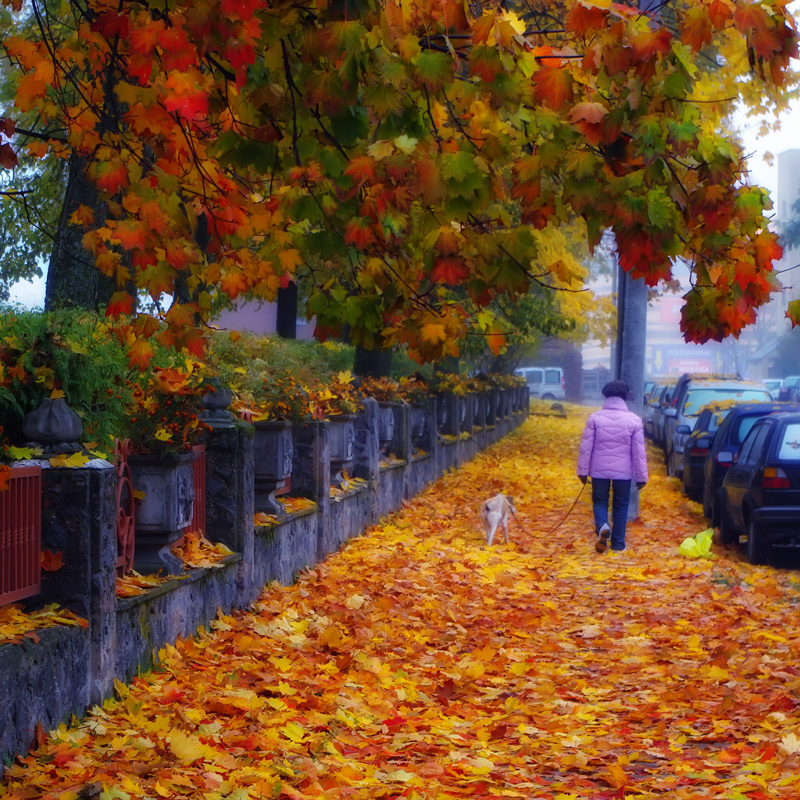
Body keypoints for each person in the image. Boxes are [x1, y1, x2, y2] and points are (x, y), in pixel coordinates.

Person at [576, 380, 648, 553]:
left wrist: (582, 471)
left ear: (606, 396)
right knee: (621, 505)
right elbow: (638, 453)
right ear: (624, 397)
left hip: (598, 470)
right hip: (623, 473)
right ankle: (618, 544)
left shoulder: (595, 418)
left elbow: (586, 448)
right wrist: (641, 477)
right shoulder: (634, 421)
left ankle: (602, 526)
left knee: (600, 501)